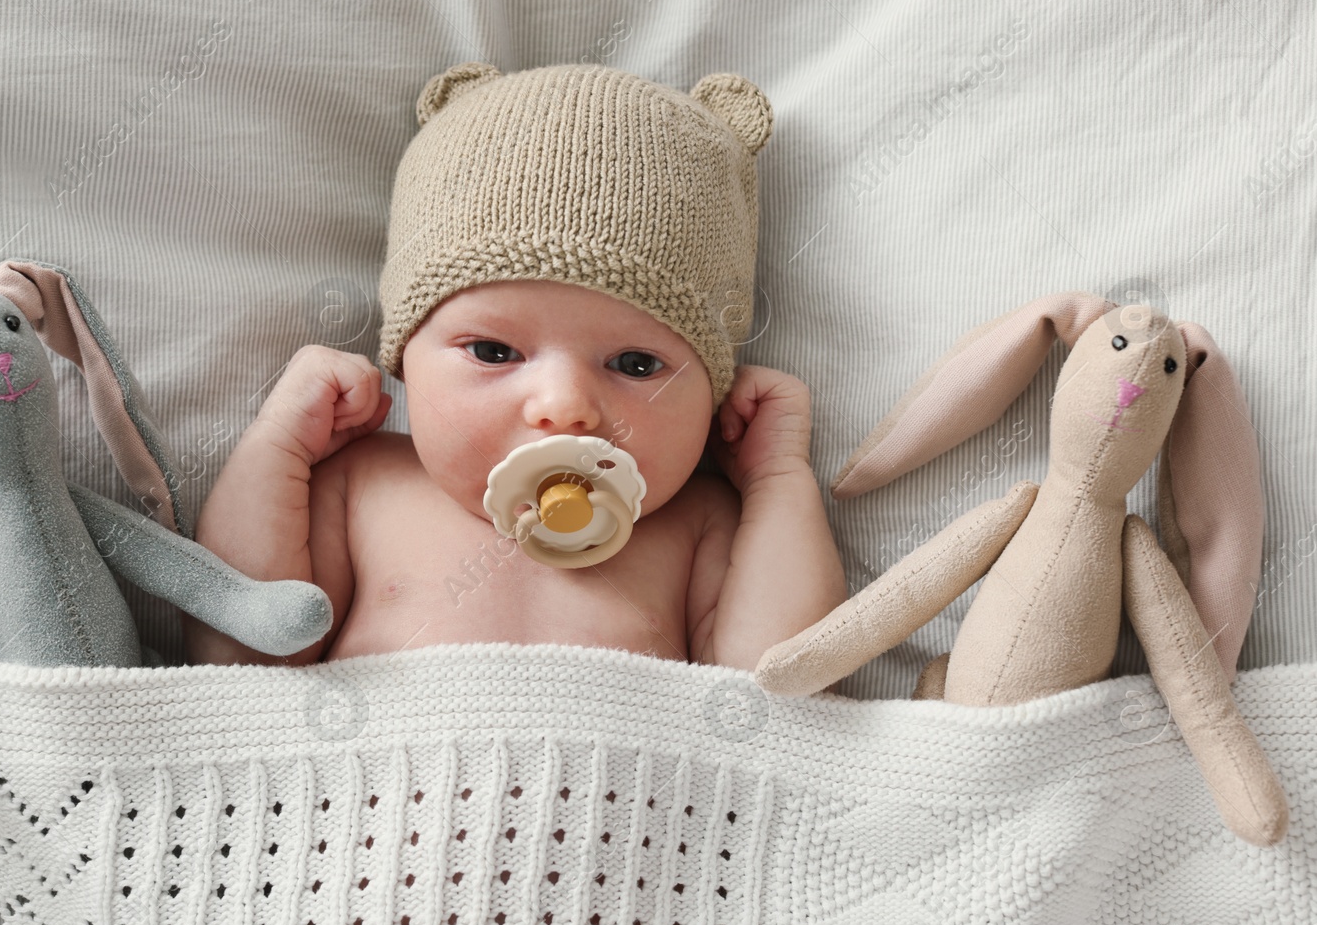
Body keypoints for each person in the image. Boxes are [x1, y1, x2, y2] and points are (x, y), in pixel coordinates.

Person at [184, 61, 846, 670]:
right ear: (405, 361)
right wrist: (278, 447)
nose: (563, 405)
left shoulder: (698, 522)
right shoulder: (364, 484)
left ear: (711, 396)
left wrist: (778, 479)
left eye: (638, 363)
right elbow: (243, 657)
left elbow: (782, 687)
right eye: (495, 352)